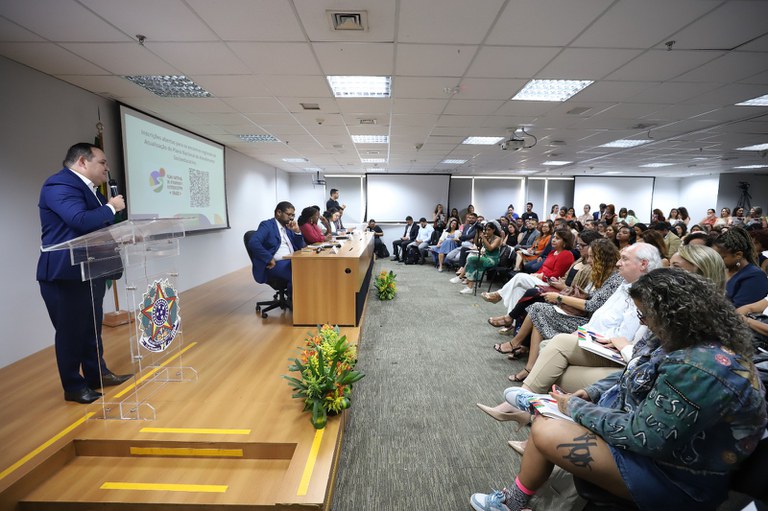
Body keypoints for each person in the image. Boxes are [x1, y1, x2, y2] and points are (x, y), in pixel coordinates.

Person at [471, 269, 767, 511]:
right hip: (663, 454)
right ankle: (515, 500)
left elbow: (645, 436)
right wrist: (591, 394)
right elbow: (633, 373)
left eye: (643, 315)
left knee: (546, 428)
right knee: (547, 419)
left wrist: (577, 408)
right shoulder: (678, 337)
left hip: (680, 480)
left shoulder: (701, 369)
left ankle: (514, 500)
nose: (642, 322)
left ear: (672, 313)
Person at [37, 142, 131, 404]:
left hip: (91, 267)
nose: (107, 168)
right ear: (82, 161)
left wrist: (123, 235)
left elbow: (98, 227)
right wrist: (111, 207)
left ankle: (97, 374)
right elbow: (79, 220)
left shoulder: (92, 191)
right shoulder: (58, 185)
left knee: (91, 327)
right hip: (65, 272)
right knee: (70, 332)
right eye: (102, 162)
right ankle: (74, 386)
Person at [247, 201, 306, 294]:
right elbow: (253, 242)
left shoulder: (288, 228)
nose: (291, 218)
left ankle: (295, 299)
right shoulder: (267, 225)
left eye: (293, 215)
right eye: (289, 214)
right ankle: (296, 302)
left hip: (291, 261)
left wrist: (297, 231)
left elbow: (300, 246)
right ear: (278, 213)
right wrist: (269, 258)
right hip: (276, 264)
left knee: (309, 269)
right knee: (299, 275)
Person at [712, 226, 768, 307]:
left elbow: (738, 312)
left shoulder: (755, 276)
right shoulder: (721, 271)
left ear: (738, 255)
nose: (716, 261)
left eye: (721, 257)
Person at [454, 221, 502, 294]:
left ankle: (464, 281)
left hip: (492, 260)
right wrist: (477, 233)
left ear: (493, 230)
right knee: (472, 261)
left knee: (471, 259)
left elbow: (490, 248)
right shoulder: (486, 236)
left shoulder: (497, 238)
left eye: (489, 230)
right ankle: (468, 286)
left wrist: (484, 238)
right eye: (486, 229)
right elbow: (477, 243)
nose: (487, 231)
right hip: (485, 257)